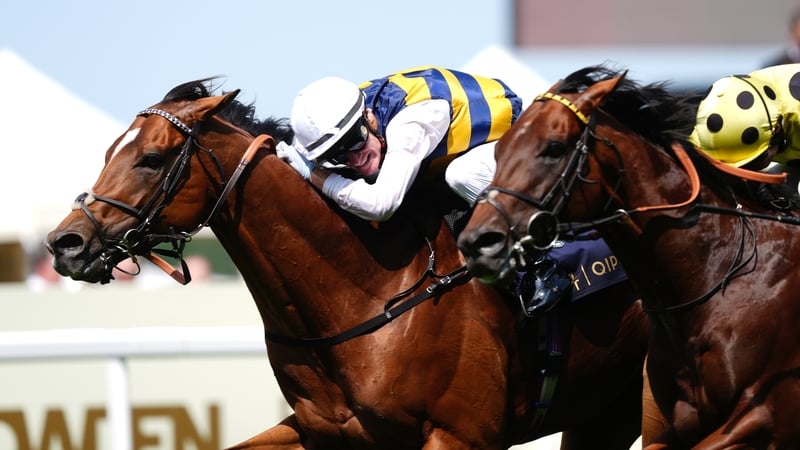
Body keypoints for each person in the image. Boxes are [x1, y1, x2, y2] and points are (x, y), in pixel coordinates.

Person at [277, 66, 572, 314]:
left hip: (518, 146)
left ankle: (540, 266)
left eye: (354, 141)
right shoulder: (352, 116)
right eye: (338, 154)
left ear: (368, 117)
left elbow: (381, 204)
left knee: (461, 175)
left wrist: (314, 174)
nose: (355, 159)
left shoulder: (412, 121)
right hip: (453, 157)